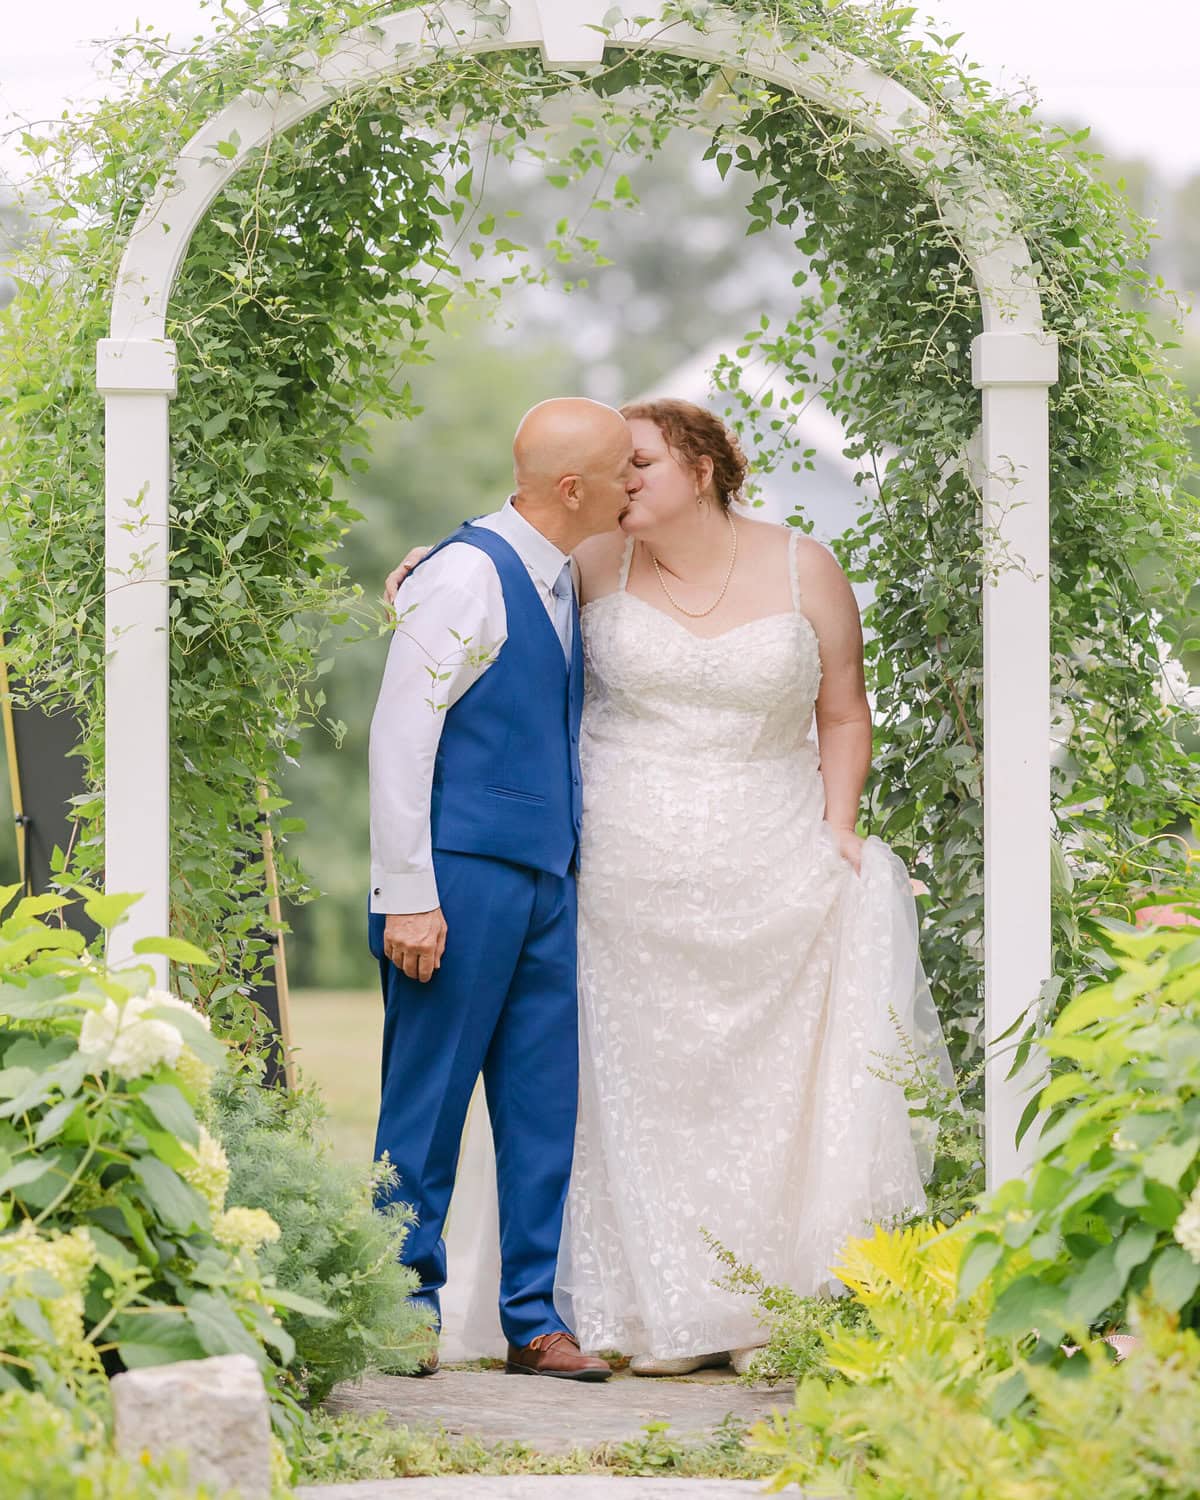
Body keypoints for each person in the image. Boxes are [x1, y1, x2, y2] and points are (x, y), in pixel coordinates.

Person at [384, 398, 951, 1376]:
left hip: (766, 864)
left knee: (697, 1093)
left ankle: (742, 1304)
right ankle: (544, 1305)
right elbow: (517, 529)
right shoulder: (584, 559)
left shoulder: (800, 565)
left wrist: (840, 826)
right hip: (606, 874)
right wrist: (427, 570)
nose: (625, 481)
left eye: (641, 462)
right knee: (577, 1093)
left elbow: (845, 711)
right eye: (616, 469)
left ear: (703, 466)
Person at [367, 396, 643, 1380]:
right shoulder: (466, 575)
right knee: (426, 1104)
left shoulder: (566, 574)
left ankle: (534, 1317)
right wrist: (408, 891)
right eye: (621, 469)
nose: (633, 484)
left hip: (545, 882)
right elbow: (404, 734)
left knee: (539, 1105)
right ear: (574, 488)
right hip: (459, 880)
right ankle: (398, 1306)